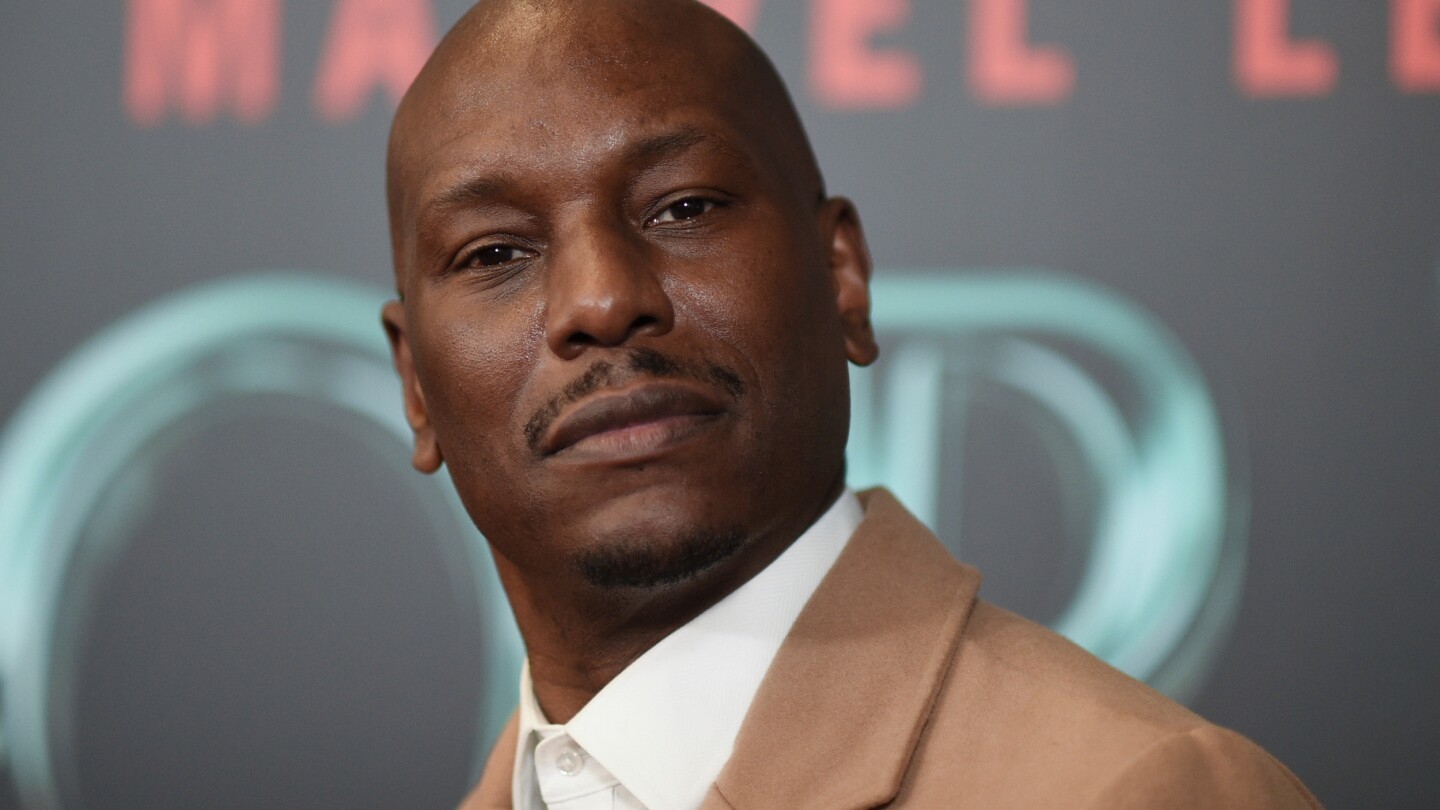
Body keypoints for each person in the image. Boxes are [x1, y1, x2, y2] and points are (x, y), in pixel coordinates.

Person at [380, 1, 1320, 807]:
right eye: (494, 253)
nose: (600, 300)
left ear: (843, 278)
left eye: (685, 207)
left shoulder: (1145, 788)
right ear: (416, 386)